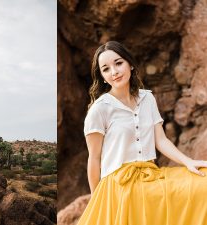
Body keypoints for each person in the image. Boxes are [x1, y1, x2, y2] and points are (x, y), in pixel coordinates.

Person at [77, 41, 207, 225]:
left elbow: (160, 140)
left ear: (130, 64)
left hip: (150, 174)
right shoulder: (99, 110)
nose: (114, 72)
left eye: (118, 63)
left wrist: (188, 161)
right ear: (103, 77)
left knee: (202, 183)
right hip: (119, 184)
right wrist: (96, 200)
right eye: (106, 69)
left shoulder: (147, 98)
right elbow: (94, 158)